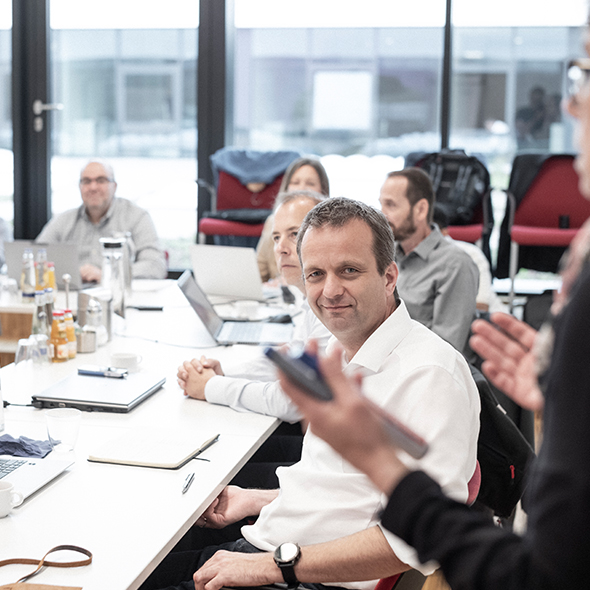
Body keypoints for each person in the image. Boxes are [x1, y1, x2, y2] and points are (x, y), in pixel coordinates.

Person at [277, 41, 590, 589]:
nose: (570, 104)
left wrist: (382, 465)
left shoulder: (429, 363)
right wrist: (555, 406)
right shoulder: (343, 349)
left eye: (585, 76)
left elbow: (538, 571)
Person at [146, 197, 479, 590]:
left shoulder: (430, 375)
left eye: (349, 271)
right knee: (139, 550)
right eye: (316, 274)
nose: (330, 290)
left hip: (304, 576)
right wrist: (257, 500)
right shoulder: (347, 352)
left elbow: (424, 538)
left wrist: (270, 567)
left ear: (389, 277)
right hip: (278, 551)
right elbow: (348, 497)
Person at [176, 190, 331, 425]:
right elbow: (289, 364)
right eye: (276, 237)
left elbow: (293, 401)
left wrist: (211, 386)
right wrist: (223, 372)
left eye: (294, 234)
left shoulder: (333, 305)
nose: (280, 248)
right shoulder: (309, 301)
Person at [379, 168, 479, 359]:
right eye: (381, 204)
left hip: (427, 373)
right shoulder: (386, 254)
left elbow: (446, 350)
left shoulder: (455, 264)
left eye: (391, 205)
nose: (382, 214)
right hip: (386, 363)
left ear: (421, 210)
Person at [36, 160, 167, 282]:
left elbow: (155, 266)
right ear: (80, 187)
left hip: (121, 298)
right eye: (86, 181)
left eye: (101, 180)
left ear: (114, 186)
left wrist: (108, 274)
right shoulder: (63, 220)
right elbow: (36, 259)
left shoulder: (137, 217)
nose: (93, 187)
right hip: (71, 299)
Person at [257, 157, 330, 282]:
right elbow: (259, 272)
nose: (301, 188)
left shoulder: (330, 227)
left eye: (310, 184)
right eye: (295, 182)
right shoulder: (272, 222)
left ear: (322, 190)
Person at [432, 204, 507, 314]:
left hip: (487, 321)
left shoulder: (469, 254)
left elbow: (481, 307)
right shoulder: (403, 256)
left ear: (444, 232)